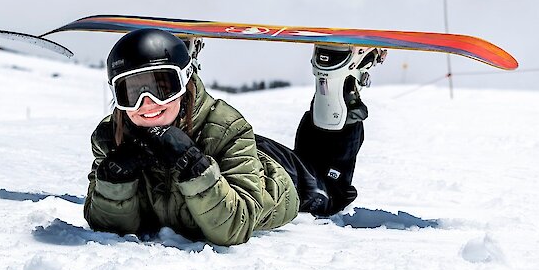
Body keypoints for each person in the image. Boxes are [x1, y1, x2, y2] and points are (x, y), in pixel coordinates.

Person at [83, 28, 383, 246]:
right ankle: (176, 51)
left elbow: (234, 228)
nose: (146, 104)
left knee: (329, 190)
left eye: (162, 87)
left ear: (184, 81)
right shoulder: (113, 139)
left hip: (281, 179)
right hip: (222, 150)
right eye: (131, 92)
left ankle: (336, 80)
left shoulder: (227, 127)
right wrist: (115, 179)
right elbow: (111, 228)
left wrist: (194, 167)